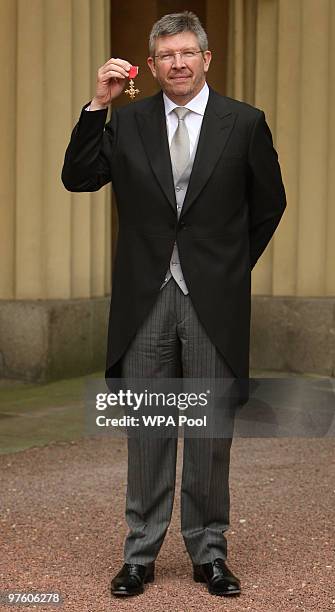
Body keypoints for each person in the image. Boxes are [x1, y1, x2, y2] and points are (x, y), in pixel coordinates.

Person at [62, 10, 286, 598]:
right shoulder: (129, 121)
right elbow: (79, 177)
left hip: (213, 298)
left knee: (211, 431)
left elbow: (269, 204)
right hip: (146, 299)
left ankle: (209, 552)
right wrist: (96, 105)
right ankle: (140, 554)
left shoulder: (245, 123)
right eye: (166, 55)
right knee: (149, 429)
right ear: (153, 64)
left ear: (207, 59)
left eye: (188, 52)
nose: (178, 63)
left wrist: (228, 269)